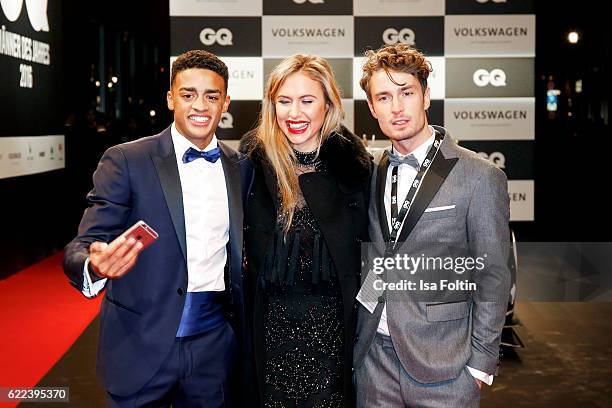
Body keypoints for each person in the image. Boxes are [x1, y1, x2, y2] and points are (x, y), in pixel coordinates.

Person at [63, 50, 253, 407]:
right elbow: (84, 244)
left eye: (211, 96)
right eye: (188, 94)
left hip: (214, 349)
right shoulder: (126, 160)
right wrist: (94, 264)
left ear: (225, 101)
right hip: (139, 344)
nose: (200, 105)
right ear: (170, 98)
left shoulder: (240, 167)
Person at [353, 43, 511, 407]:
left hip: (446, 366)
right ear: (372, 108)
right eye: (384, 97)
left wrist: (479, 366)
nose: (397, 107)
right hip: (373, 360)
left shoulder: (479, 176)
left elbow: (494, 275)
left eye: (406, 93)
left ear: (425, 95)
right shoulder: (370, 170)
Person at [240, 54, 372, 407]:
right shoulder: (250, 167)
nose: (294, 113)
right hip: (268, 335)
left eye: (307, 100)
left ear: (328, 104)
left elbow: (376, 258)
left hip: (334, 338)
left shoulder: (356, 171)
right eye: (284, 101)